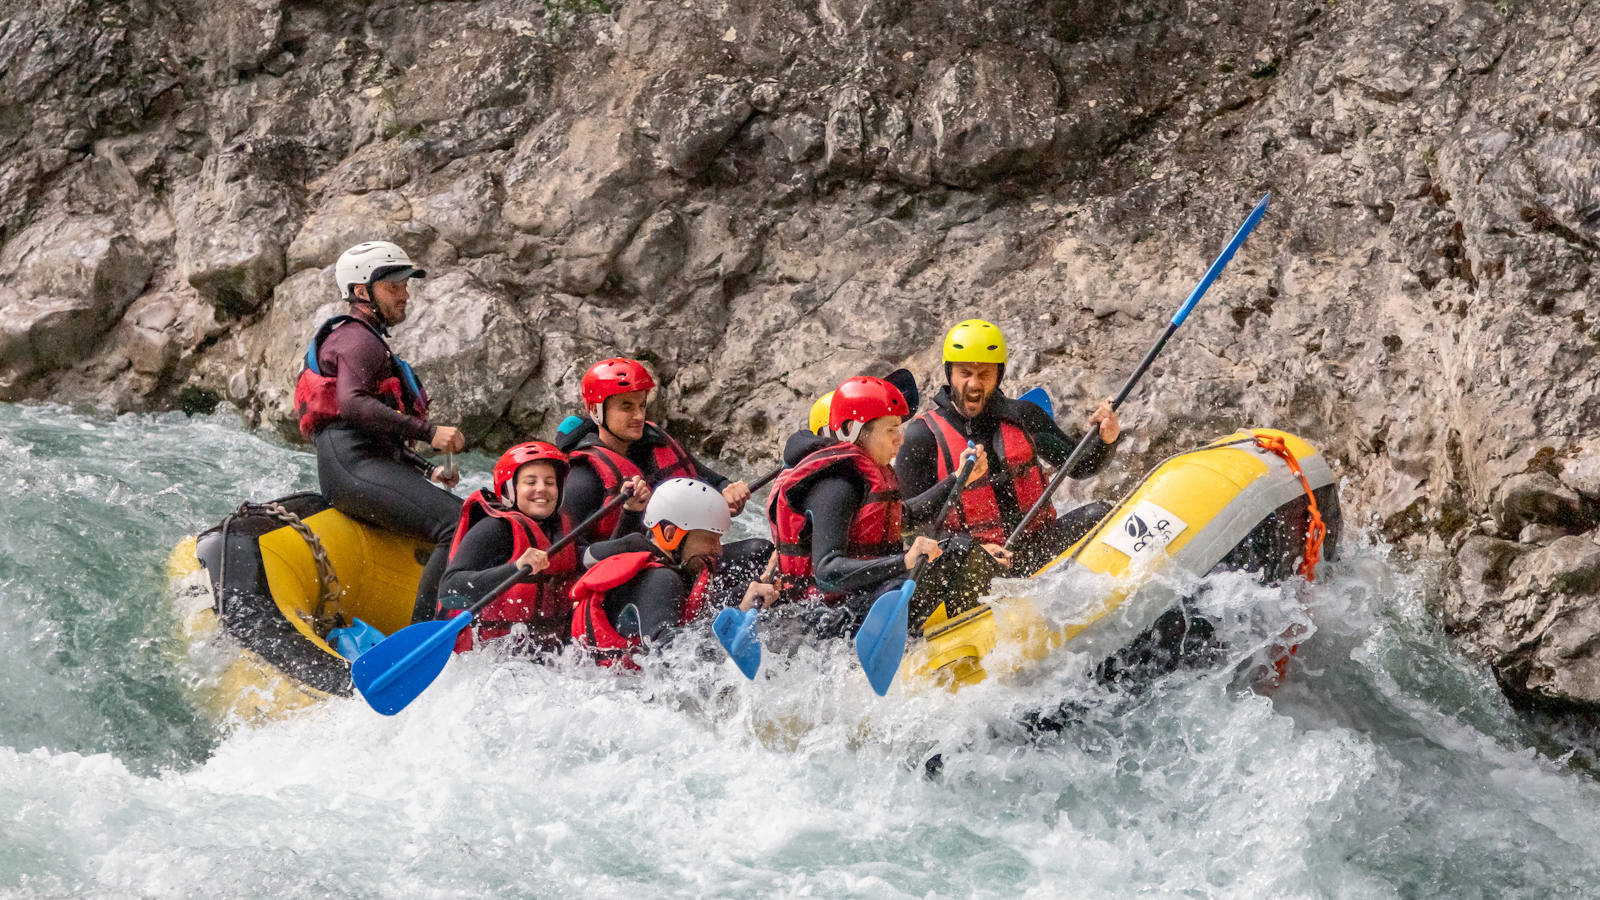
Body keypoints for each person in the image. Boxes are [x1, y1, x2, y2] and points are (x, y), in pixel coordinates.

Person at [293, 241, 466, 623]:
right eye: (394, 287)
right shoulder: (357, 340)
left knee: (465, 515)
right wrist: (429, 431)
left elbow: (374, 429)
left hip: (363, 462)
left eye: (406, 285)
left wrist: (427, 470)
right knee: (458, 523)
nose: (405, 295)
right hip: (352, 467)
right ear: (361, 292)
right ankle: (423, 635)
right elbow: (353, 407)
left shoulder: (367, 340)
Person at [762, 376, 1007, 639]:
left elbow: (907, 517)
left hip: (865, 600)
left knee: (960, 550)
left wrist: (958, 478)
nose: (900, 439)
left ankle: (965, 627)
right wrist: (905, 560)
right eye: (890, 429)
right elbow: (827, 572)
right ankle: (960, 634)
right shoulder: (836, 484)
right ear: (853, 430)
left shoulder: (868, 474)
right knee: (956, 551)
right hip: (827, 619)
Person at [896, 319, 1121, 580]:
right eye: (965, 373)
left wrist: (1107, 440)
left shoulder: (1024, 416)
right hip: (975, 566)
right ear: (950, 374)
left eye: (984, 374)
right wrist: (968, 551)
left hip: (1039, 547)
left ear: (999, 375)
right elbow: (908, 528)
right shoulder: (921, 436)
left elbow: (1082, 467)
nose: (974, 384)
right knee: (967, 564)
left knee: (1100, 513)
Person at [571, 478, 776, 663]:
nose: (718, 549)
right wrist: (738, 614)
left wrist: (755, 585)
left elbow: (696, 610)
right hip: (621, 689)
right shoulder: (660, 579)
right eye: (709, 539)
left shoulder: (665, 569)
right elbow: (670, 654)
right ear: (670, 535)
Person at [558, 358, 750, 541]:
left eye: (642, 405)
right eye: (627, 407)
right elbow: (573, 556)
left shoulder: (655, 441)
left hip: (685, 556)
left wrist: (729, 492)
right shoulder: (583, 478)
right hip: (639, 571)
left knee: (760, 549)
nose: (639, 415)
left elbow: (714, 481)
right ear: (596, 411)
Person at [436, 441, 590, 653]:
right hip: (485, 661)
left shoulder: (560, 530)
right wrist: (515, 567)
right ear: (510, 489)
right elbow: (449, 587)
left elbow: (593, 558)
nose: (542, 489)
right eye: (530, 481)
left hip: (548, 660)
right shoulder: (495, 529)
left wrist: (630, 511)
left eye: (550, 482)